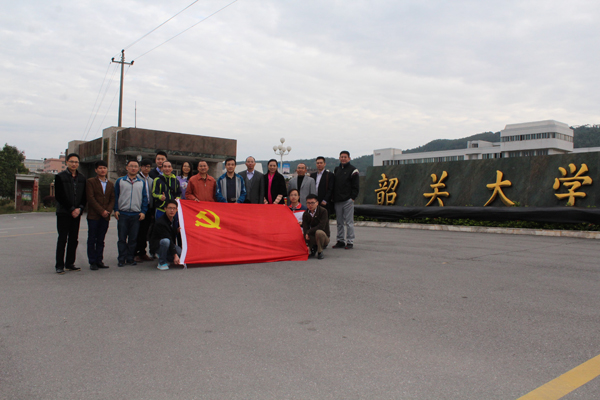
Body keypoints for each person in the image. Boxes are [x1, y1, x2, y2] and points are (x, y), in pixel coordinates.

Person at [54, 153, 87, 274]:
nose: (74, 164)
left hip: (76, 213)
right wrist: (71, 208)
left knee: (74, 239)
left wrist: (79, 208)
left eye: (76, 162)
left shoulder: (82, 178)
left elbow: (84, 196)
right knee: (62, 239)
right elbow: (59, 196)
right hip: (64, 212)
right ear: (67, 162)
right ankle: (59, 265)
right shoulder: (60, 177)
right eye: (72, 162)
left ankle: (70, 263)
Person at [114, 160, 148, 267]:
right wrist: (116, 210)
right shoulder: (120, 181)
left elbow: (144, 198)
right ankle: (121, 258)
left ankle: (130, 258)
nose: (133, 168)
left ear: (138, 168)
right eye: (131, 166)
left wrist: (143, 211)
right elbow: (115, 196)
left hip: (135, 214)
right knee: (122, 238)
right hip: (123, 214)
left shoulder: (141, 182)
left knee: (133, 239)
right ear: (127, 167)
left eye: (135, 166)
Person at [85, 160, 115, 270]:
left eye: (104, 168)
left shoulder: (110, 184)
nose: (103, 170)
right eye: (100, 168)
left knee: (101, 239)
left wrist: (108, 211)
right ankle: (92, 261)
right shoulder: (91, 182)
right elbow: (91, 198)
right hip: (94, 216)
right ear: (96, 170)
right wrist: (101, 211)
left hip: (105, 216)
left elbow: (112, 199)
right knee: (92, 238)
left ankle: (99, 260)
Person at [332, 151, 360, 249]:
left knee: (349, 222)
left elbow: (356, 186)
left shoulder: (353, 170)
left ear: (349, 158)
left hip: (348, 200)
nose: (343, 158)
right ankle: (340, 240)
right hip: (338, 200)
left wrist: (352, 198)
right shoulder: (337, 169)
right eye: (342, 157)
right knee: (339, 222)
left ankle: (350, 241)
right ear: (339, 158)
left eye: (345, 157)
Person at [150, 199, 182, 271]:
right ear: (165, 209)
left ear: (177, 209)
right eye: (170, 208)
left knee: (180, 253)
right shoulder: (161, 222)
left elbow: (171, 233)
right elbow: (168, 237)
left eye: (174, 208)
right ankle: (161, 262)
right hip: (158, 245)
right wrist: (175, 255)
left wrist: (177, 231)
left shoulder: (173, 219)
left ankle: (166, 256)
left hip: (169, 243)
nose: (172, 210)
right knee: (165, 241)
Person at [134, 159, 155, 263]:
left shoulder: (151, 180)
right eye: (144, 166)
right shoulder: (136, 178)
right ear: (140, 167)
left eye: (148, 166)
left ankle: (142, 252)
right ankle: (134, 253)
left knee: (144, 232)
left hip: (148, 209)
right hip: (138, 209)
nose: (146, 168)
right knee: (136, 232)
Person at [302, 194, 330, 260]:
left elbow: (321, 226)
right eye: (308, 203)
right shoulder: (305, 213)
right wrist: (307, 241)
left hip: (323, 236)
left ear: (317, 203)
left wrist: (309, 232)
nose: (310, 205)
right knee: (303, 234)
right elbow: (305, 227)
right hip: (312, 236)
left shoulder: (323, 211)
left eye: (312, 203)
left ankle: (320, 251)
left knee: (319, 232)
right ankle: (312, 247)